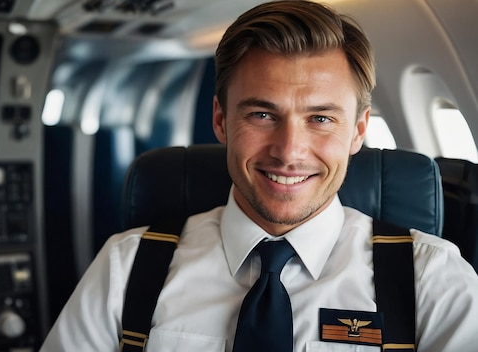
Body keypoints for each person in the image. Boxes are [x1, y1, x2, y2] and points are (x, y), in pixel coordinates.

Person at [40, 1, 478, 351]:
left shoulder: (434, 280)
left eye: (321, 119)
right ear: (221, 121)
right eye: (263, 114)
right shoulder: (126, 267)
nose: (289, 151)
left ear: (358, 130)